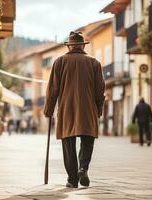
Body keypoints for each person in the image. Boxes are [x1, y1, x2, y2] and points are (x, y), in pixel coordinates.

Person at [44, 31, 105, 188]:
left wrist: (48, 109)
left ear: (70, 46)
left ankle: (72, 179)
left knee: (68, 143)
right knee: (87, 141)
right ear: (83, 45)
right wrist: (99, 109)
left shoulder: (59, 62)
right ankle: (83, 168)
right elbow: (100, 91)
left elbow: (52, 89)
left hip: (67, 109)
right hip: (88, 109)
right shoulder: (94, 63)